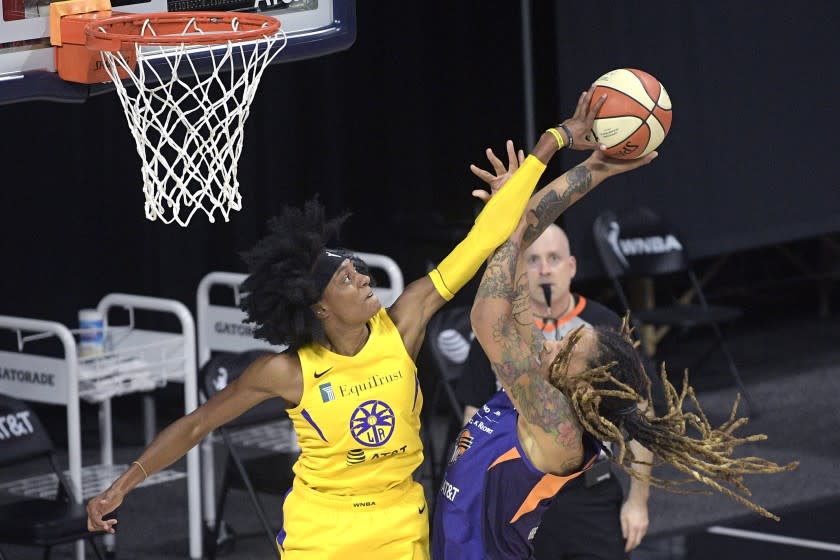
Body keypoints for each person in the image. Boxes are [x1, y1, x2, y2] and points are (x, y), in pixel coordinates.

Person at [85, 89, 612, 558]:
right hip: (323, 531)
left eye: (356, 267)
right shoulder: (286, 371)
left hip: (399, 522)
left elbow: (483, 239)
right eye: (345, 277)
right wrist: (124, 483)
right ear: (318, 308)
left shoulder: (404, 322)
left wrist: (557, 138)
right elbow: (199, 423)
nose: (362, 276)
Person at [431, 145, 798, 559]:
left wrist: (545, 159)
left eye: (566, 351)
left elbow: (486, 317)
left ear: (583, 389)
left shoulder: (555, 424)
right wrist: (593, 169)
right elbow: (518, 267)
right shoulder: (544, 386)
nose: (551, 342)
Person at [456, 221, 658, 558]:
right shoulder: (503, 337)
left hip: (588, 492)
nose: (545, 270)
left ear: (572, 266)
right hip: (519, 493)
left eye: (553, 258)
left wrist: (638, 501)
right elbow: (473, 418)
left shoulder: (604, 329)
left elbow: (640, 415)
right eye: (534, 260)